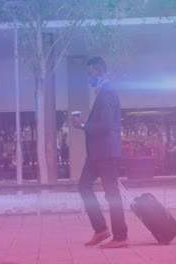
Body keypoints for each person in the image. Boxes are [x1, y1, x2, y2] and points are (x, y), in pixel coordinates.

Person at [71, 56, 128, 249]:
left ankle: (120, 237)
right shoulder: (101, 93)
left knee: (111, 193)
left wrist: (83, 125)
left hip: (106, 153)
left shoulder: (108, 93)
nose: (87, 78)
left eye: (90, 74)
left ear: (100, 72)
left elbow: (106, 125)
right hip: (97, 154)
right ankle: (101, 229)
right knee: (84, 186)